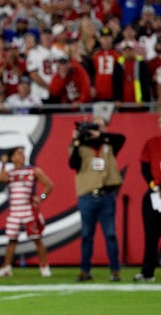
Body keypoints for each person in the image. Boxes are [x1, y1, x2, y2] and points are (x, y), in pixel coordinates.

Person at [69, 116, 125, 282]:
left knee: (110, 234)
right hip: (87, 196)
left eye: (99, 127)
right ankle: (85, 270)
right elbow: (73, 164)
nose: (96, 130)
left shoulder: (108, 144)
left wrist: (99, 136)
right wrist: (76, 141)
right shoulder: (80, 146)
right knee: (86, 235)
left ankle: (115, 271)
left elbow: (121, 139)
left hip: (107, 195)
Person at [0, 147, 54, 278]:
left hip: (28, 211)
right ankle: (7, 267)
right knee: (11, 240)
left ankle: (44, 266)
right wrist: (3, 163)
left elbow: (49, 185)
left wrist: (40, 198)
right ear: (13, 158)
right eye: (18, 154)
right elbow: (1, 178)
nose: (22, 156)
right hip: (14, 212)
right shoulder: (10, 172)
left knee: (36, 238)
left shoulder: (33, 170)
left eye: (22, 153)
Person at [134, 115, 161, 282]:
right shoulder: (152, 143)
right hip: (155, 194)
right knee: (151, 235)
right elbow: (145, 168)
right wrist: (154, 186)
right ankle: (147, 271)